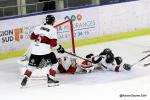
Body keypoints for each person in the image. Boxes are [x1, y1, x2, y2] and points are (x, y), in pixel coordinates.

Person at [21, 15, 65, 87]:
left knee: (31, 67)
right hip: (45, 52)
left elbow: (32, 37)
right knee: (55, 63)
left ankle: (25, 78)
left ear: (45, 21)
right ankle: (50, 79)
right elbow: (53, 44)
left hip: (34, 51)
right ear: (53, 22)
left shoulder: (38, 27)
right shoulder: (53, 30)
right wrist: (59, 48)